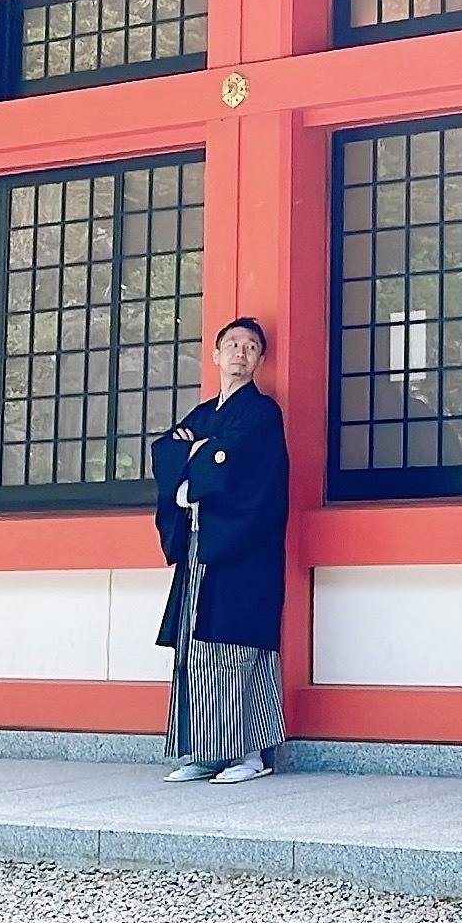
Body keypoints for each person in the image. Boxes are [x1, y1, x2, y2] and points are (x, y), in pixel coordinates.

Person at [152, 315, 288, 785]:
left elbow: (242, 470)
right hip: (201, 545)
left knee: (237, 647)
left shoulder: (262, 414)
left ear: (260, 359)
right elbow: (167, 451)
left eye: (250, 347)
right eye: (232, 345)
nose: (240, 353)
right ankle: (206, 751)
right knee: (196, 644)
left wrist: (201, 457)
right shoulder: (204, 414)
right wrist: (203, 453)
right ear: (215, 355)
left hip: (244, 547)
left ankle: (249, 754)